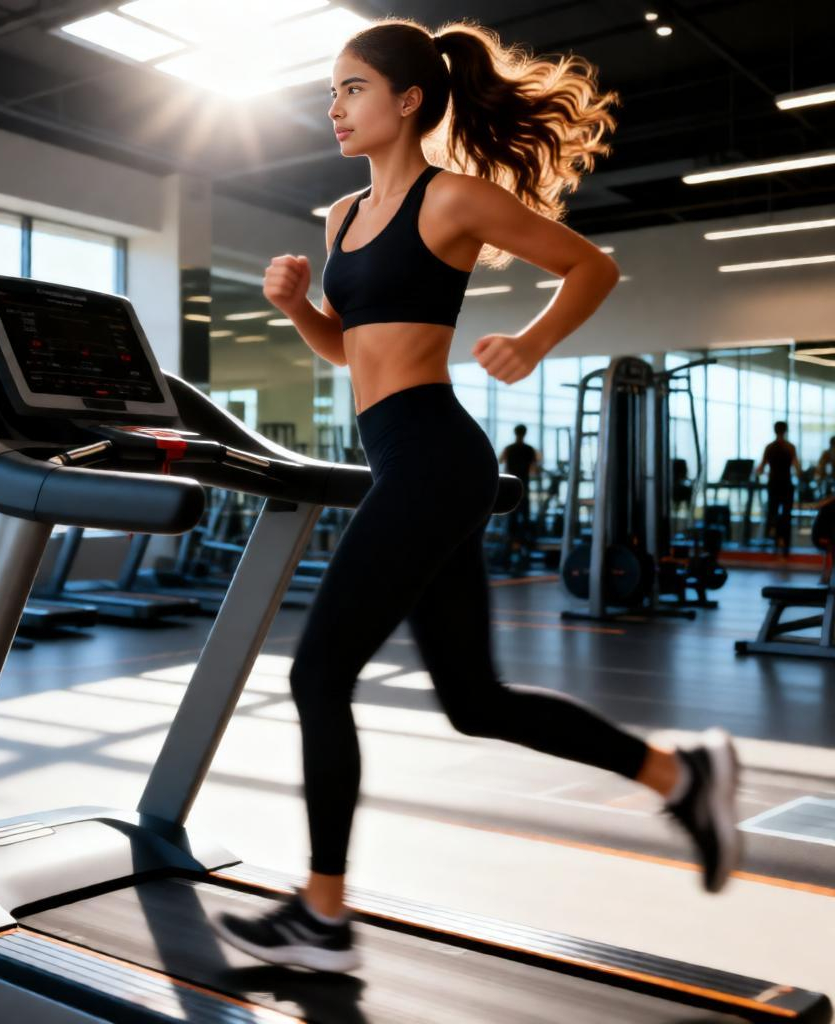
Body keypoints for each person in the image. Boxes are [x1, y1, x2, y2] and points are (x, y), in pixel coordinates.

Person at [212, 17, 741, 973]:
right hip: (407, 460)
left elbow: (592, 265)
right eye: (330, 93)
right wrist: (298, 310)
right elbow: (353, 353)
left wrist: (532, 344)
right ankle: (681, 775)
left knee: (317, 675)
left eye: (353, 89)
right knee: (475, 701)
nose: (334, 108)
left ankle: (323, 917)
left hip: (434, 456)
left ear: (409, 100)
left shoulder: (451, 197)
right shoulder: (339, 218)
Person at [755, 421, 801, 555]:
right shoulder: (790, 447)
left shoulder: (769, 447)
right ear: (785, 431)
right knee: (786, 515)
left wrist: (761, 472)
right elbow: (797, 468)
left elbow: (760, 468)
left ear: (774, 430)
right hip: (786, 484)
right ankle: (785, 544)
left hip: (773, 484)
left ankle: (773, 542)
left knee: (772, 513)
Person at [500, 423, 541, 541]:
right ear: (525, 433)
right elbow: (535, 468)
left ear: (515, 433)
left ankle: (511, 540)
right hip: (523, 484)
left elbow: (500, 460)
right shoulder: (529, 449)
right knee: (525, 513)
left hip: (510, 484)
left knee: (511, 512)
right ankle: (524, 539)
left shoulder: (509, 448)